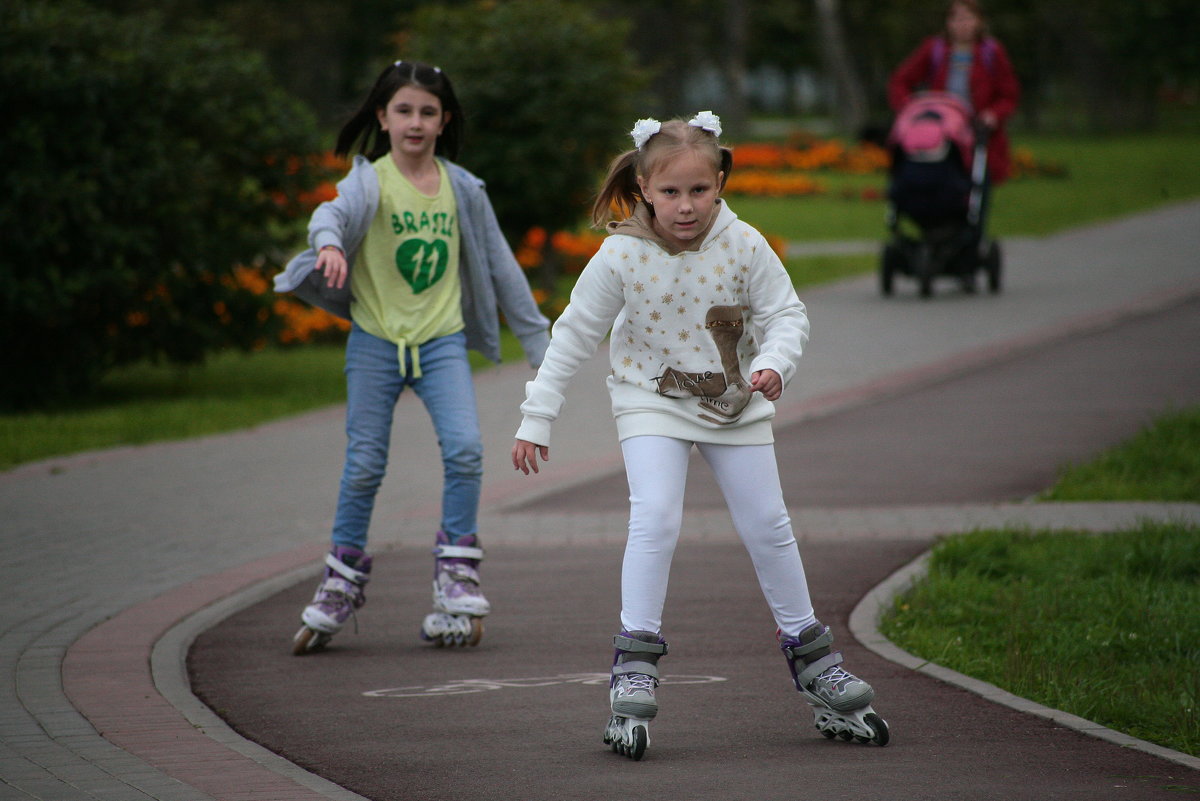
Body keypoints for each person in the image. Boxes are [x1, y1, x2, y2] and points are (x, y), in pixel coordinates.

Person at [510, 113, 888, 760]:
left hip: (733, 398)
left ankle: (814, 658)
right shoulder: (621, 252)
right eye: (670, 193)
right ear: (642, 189)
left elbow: (785, 313)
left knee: (769, 524)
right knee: (655, 516)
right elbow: (573, 334)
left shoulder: (743, 243)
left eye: (699, 191)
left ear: (721, 182)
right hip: (649, 395)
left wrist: (774, 363)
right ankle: (635, 659)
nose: (685, 207)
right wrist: (537, 415)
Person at [275, 61, 549, 654]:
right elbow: (331, 214)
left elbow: (502, 267)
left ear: (444, 119)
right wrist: (327, 247)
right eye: (404, 111)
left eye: (428, 112)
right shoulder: (368, 182)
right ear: (382, 117)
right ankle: (339, 582)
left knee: (466, 448)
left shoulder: (463, 189)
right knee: (366, 463)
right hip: (375, 343)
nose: (415, 123)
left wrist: (542, 347)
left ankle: (456, 573)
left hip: (441, 341)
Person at [888, 0, 1020, 184]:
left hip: (979, 131)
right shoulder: (935, 49)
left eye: (967, 19)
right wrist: (910, 109)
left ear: (979, 21)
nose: (962, 25)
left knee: (976, 188)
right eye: (956, 19)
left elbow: (1009, 94)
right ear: (948, 22)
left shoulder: (991, 52)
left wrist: (993, 115)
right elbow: (901, 80)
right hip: (943, 131)